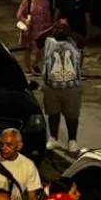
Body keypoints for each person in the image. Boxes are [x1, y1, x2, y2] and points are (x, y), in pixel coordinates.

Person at [37, 20, 85, 152]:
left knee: (72, 116)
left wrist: (67, 31)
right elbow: (37, 40)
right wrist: (51, 29)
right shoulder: (48, 41)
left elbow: (82, 42)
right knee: (53, 114)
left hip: (71, 87)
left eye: (63, 28)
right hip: (51, 87)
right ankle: (53, 139)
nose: (60, 30)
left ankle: (72, 141)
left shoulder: (75, 41)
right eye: (57, 28)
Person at [17, 0, 53, 74]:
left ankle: (35, 64)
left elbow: (48, 15)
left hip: (41, 29)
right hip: (30, 28)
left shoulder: (45, 2)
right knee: (28, 48)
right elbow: (19, 14)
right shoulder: (28, 1)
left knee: (39, 50)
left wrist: (49, 28)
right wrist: (25, 20)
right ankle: (28, 67)